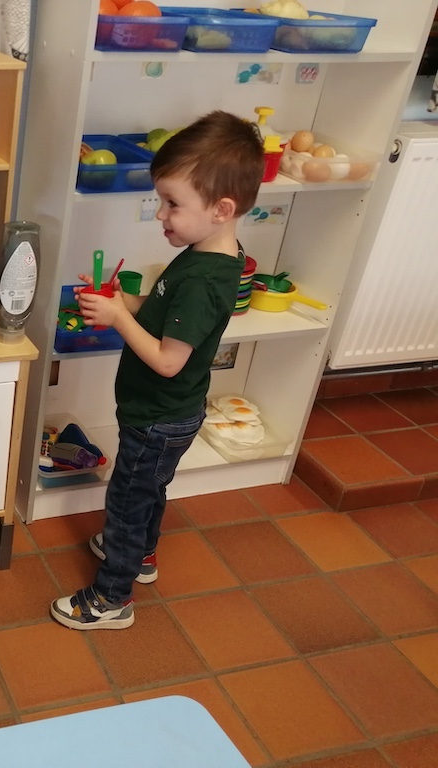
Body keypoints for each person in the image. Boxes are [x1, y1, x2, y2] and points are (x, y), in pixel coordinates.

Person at [50, 110, 264, 630]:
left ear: (222, 208)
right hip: (168, 414)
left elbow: (169, 360)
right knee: (148, 489)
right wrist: (126, 301)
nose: (160, 215)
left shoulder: (202, 280)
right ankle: (141, 554)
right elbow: (166, 312)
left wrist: (119, 319)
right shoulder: (209, 254)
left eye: (172, 204)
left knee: (127, 499)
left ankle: (111, 598)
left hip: (157, 416)